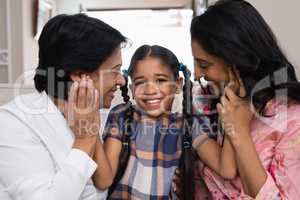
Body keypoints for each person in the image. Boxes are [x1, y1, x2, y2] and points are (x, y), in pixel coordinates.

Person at [0, 13, 126, 200]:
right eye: (115, 70)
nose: (122, 80)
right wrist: (84, 140)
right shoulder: (12, 122)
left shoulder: (85, 111)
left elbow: (103, 182)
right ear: (79, 74)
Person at [190, 0, 300, 199]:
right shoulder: (213, 101)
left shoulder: (293, 120)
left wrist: (239, 131)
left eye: (204, 65)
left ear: (236, 59)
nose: (197, 74)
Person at [96, 45, 237, 199]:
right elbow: (104, 180)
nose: (150, 90)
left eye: (160, 80)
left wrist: (234, 119)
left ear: (178, 84)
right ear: (132, 87)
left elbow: (226, 169)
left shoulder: (188, 126)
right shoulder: (122, 115)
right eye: (140, 82)